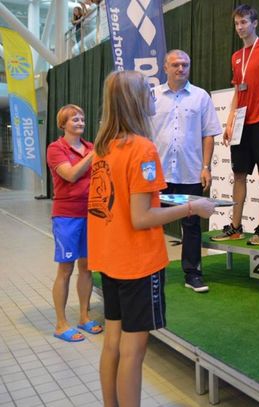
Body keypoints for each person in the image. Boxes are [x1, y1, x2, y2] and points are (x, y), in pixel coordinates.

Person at [87, 70, 216, 407]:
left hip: (110, 259)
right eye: (147, 89)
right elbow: (142, 217)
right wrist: (193, 207)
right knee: (133, 351)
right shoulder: (143, 149)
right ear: (134, 99)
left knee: (112, 343)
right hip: (137, 263)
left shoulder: (103, 147)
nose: (154, 94)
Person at [152, 50, 222, 292]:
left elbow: (208, 134)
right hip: (158, 174)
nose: (181, 68)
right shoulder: (152, 96)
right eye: (175, 65)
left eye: (185, 64)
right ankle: (152, 271)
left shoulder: (201, 97)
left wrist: (206, 167)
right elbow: (144, 134)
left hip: (190, 172)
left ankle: (193, 274)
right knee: (153, 224)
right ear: (165, 67)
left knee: (191, 225)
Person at [211, 4, 259, 245]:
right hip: (241, 123)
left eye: (244, 22)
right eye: (237, 23)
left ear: (255, 23)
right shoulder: (236, 57)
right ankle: (235, 226)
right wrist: (229, 122)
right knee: (238, 174)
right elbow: (238, 90)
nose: (240, 27)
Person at [46, 104, 102, 342]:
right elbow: (70, 175)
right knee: (66, 269)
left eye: (82, 119)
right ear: (63, 124)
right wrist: (94, 154)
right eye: (74, 119)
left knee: (87, 267)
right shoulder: (56, 148)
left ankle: (84, 317)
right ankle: (61, 324)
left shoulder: (90, 147)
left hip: (92, 214)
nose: (80, 123)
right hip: (67, 215)